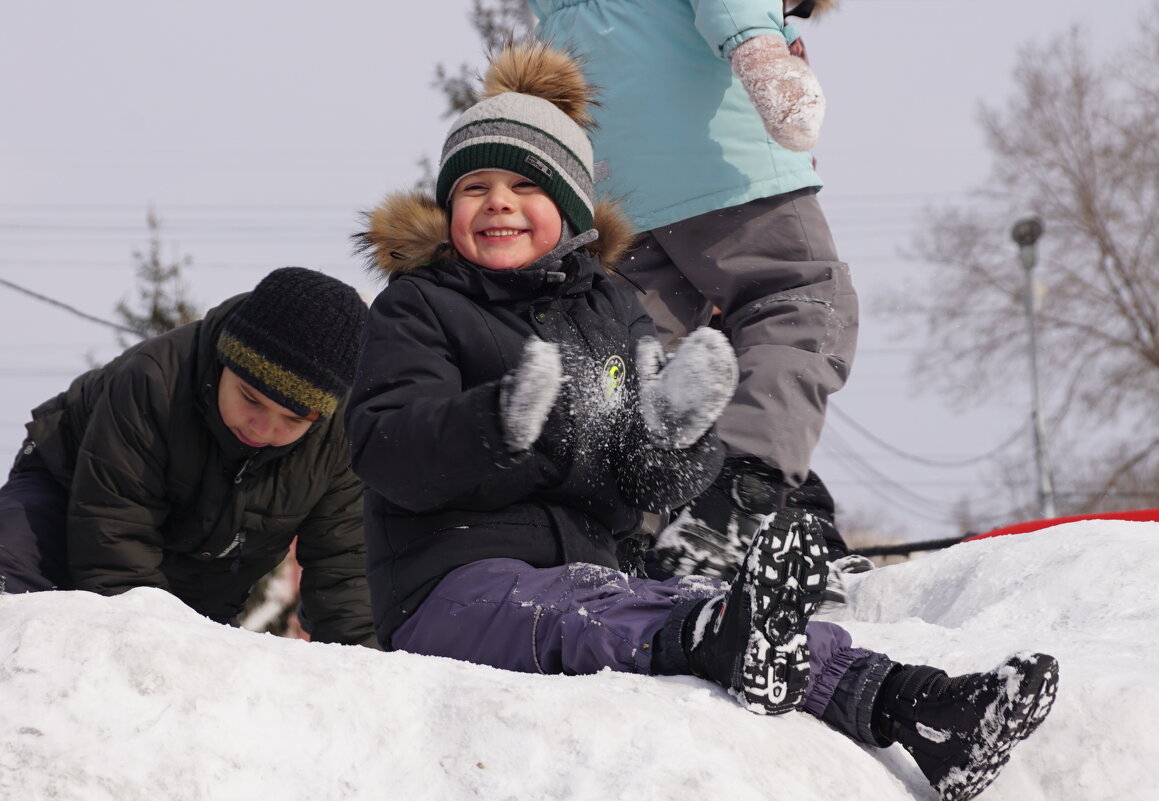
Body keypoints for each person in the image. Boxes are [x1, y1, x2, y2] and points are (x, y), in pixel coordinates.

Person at [347, 43, 1058, 801]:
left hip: (591, 573)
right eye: (475, 186)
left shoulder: (610, 310)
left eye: (525, 184)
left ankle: (915, 705)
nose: (497, 202)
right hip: (452, 588)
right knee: (597, 617)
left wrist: (674, 437)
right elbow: (387, 445)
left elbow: (641, 486)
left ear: (572, 207)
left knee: (705, 612)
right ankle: (717, 638)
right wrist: (499, 422)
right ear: (447, 205)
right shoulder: (419, 307)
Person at [525, 0, 856, 582]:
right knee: (799, 300)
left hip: (609, 181)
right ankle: (738, 498)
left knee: (647, 362)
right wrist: (765, 52)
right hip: (722, 168)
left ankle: (638, 535)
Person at [0, 266, 378, 647]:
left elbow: (345, 569)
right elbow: (113, 536)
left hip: (205, 556)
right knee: (15, 603)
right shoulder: (154, 382)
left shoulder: (340, 436)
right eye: (251, 399)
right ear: (223, 362)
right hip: (66, 490)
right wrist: (149, 643)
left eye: (293, 419)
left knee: (193, 664)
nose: (263, 429)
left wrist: (365, 670)